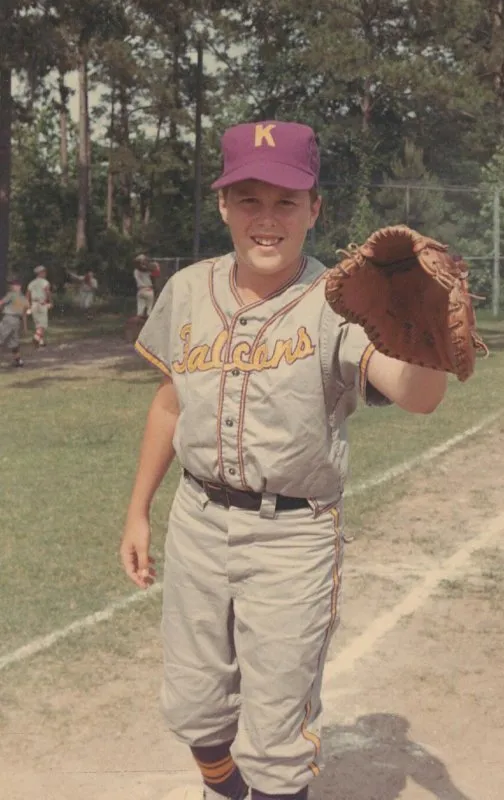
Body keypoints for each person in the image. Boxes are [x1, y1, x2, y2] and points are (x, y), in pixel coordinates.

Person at [120, 121, 448, 800]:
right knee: (194, 708)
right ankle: (227, 789)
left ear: (314, 209)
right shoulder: (187, 290)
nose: (266, 220)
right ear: (223, 206)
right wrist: (137, 514)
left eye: (286, 202)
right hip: (198, 519)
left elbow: (417, 396)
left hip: (293, 536)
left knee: (274, 738)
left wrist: (429, 334)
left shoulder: (339, 304)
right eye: (249, 200)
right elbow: (168, 405)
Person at [0, 276, 28, 367]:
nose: (12, 286)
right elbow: (24, 314)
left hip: (8, 318)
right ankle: (19, 361)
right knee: (14, 342)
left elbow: (1, 303)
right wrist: (25, 327)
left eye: (14, 284)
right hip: (17, 321)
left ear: (19, 286)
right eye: (12, 285)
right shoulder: (24, 299)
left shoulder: (11, 294)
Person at [26, 265, 52, 347]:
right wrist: (50, 301)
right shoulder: (45, 282)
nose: (45, 273)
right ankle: (36, 338)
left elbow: (28, 295)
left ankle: (41, 342)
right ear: (40, 273)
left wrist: (28, 305)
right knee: (43, 324)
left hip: (34, 304)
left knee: (37, 323)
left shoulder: (31, 283)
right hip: (42, 303)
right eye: (44, 272)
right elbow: (47, 292)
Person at [133, 253, 155, 318]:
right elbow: (154, 271)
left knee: (140, 311)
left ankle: (138, 324)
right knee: (149, 311)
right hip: (149, 290)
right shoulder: (149, 270)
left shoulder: (135, 271)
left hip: (140, 290)